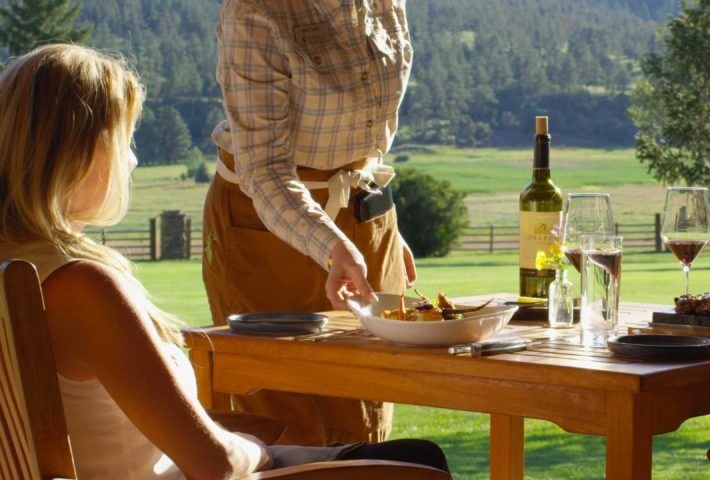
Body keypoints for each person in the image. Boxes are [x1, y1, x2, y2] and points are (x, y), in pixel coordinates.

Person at [0, 43, 447, 479]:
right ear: (76, 155)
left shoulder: (20, 270)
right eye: (123, 142)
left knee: (414, 453)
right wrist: (256, 449)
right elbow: (213, 464)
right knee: (420, 466)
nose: (131, 162)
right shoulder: (81, 286)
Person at [204, 0, 416, 445]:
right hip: (265, 226)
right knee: (288, 419)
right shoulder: (254, 11)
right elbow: (264, 171)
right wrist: (334, 243)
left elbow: (366, 133)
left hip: (362, 218)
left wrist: (379, 225)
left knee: (368, 406)